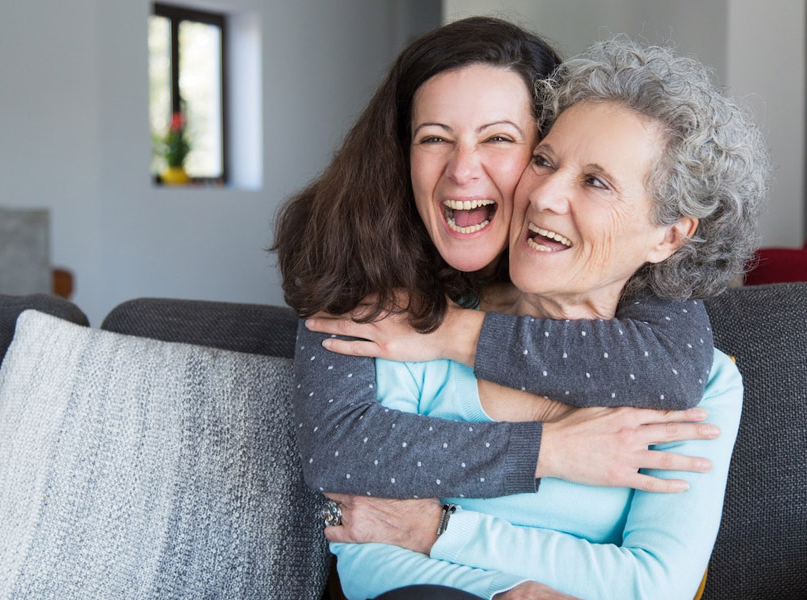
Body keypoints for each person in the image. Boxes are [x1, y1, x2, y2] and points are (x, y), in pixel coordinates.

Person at [319, 38, 769, 599]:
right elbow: (365, 547)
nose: (545, 195)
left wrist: (439, 531)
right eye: (544, 161)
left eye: (595, 182)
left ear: (669, 235)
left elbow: (655, 584)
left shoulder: (702, 382)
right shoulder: (417, 326)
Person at [273, 17, 718, 508]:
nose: (462, 170)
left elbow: (670, 368)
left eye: (499, 139)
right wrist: (547, 450)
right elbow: (337, 448)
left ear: (545, 151)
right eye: (434, 138)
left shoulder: (598, 254)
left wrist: (453, 333)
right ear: (400, 153)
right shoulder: (353, 248)